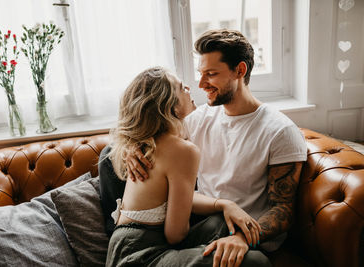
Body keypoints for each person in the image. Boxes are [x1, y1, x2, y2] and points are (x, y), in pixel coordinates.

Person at [124, 29, 308, 267]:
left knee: (258, 261)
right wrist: (133, 147)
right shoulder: (198, 119)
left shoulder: (280, 131)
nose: (201, 84)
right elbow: (154, 137)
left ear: (240, 71)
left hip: (241, 230)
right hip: (204, 221)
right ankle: (123, 243)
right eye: (201, 74)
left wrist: (243, 238)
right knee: (110, 157)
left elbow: (283, 210)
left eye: (211, 74)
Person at [103, 66, 201, 266]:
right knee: (255, 261)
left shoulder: (161, 140)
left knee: (220, 224)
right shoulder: (180, 149)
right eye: (182, 87)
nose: (190, 87)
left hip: (136, 242)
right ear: (170, 107)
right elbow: (175, 235)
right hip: (136, 252)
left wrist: (224, 204)